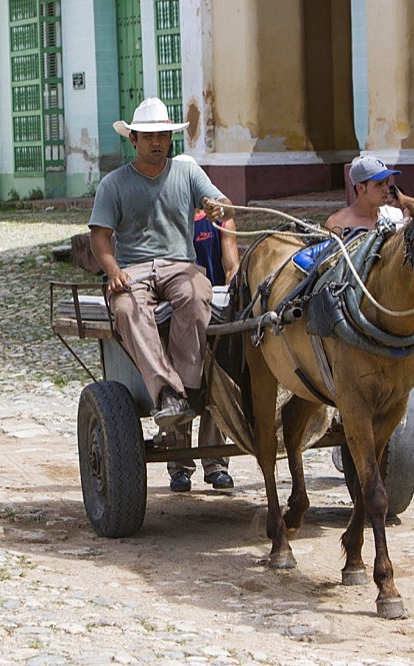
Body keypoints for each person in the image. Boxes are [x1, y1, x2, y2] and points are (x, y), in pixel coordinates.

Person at [88, 99, 234, 490]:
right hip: (134, 268)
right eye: (149, 136)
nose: (157, 142)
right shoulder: (114, 184)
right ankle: (168, 394)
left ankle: (182, 392)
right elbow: (100, 236)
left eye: (163, 136)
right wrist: (114, 271)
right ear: (133, 139)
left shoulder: (187, 173)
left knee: (196, 292)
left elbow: (221, 206)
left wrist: (216, 211)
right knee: (125, 306)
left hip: (179, 264)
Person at [163, 154, 239, 492]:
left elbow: (231, 261)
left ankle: (215, 463)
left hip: (215, 304)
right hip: (178, 308)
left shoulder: (219, 218)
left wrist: (230, 292)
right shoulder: (166, 217)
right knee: (181, 380)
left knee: (216, 380)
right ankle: (179, 465)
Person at [327, 155, 403, 231]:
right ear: (361, 188)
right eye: (379, 184)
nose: (387, 190)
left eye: (387, 182)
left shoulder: (394, 216)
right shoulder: (337, 224)